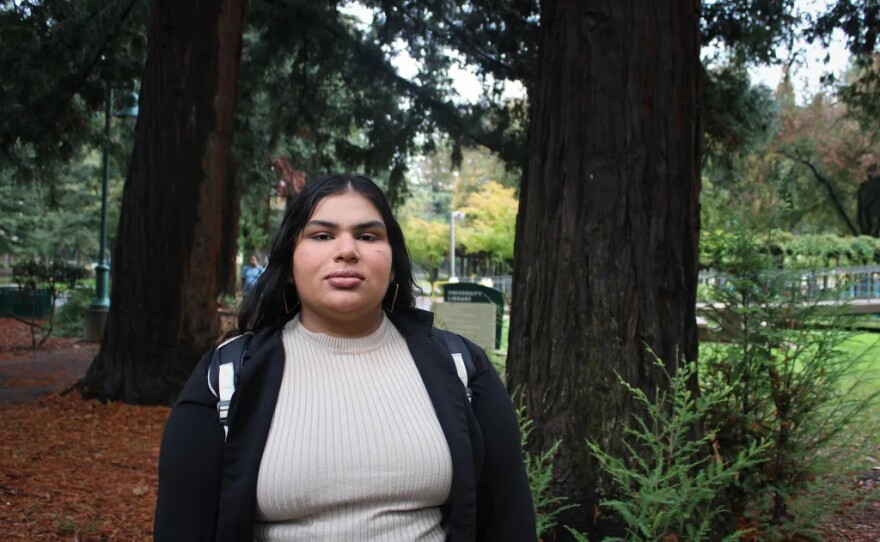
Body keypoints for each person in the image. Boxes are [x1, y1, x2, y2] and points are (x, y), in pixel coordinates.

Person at [154, 174, 536, 541]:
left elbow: (508, 522)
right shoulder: (225, 377)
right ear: (288, 265)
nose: (347, 250)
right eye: (322, 235)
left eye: (368, 236)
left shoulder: (461, 367)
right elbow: (183, 526)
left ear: (391, 262)